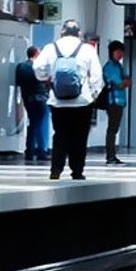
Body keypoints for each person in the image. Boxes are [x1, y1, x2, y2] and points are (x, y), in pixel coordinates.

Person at [34, 20, 103, 180]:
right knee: (80, 137)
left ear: (62, 33)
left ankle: (56, 170)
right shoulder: (87, 49)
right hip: (82, 101)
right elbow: (96, 76)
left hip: (58, 101)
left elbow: (37, 68)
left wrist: (46, 78)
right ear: (79, 34)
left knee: (60, 135)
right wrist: (93, 95)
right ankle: (77, 171)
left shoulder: (51, 48)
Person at [16, 45, 48, 162]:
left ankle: (29, 150)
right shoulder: (38, 66)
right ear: (36, 54)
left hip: (28, 98)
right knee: (39, 124)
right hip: (40, 98)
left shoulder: (21, 67)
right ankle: (41, 152)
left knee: (33, 123)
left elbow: (18, 82)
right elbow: (46, 79)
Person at [102, 41, 130, 165]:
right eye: (118, 52)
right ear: (112, 52)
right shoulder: (109, 67)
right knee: (112, 129)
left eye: (122, 52)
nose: (120, 55)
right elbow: (121, 83)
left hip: (120, 102)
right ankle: (110, 156)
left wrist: (125, 82)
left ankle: (112, 155)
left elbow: (127, 82)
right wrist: (124, 82)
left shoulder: (119, 66)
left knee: (114, 129)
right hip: (112, 102)